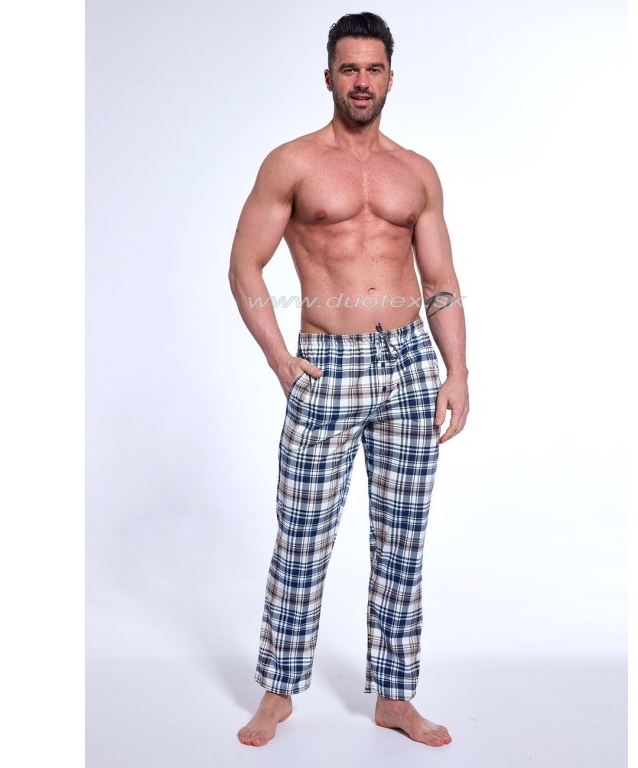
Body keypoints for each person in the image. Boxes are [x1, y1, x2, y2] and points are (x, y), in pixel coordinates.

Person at [228, 11, 468, 748]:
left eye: (373, 68)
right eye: (349, 68)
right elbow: (244, 266)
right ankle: (277, 692)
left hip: (409, 363)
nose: (361, 81)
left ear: (390, 77)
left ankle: (395, 698)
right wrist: (280, 358)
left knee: (402, 540)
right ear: (329, 76)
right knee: (302, 537)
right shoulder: (293, 163)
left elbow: (441, 280)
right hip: (326, 363)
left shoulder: (416, 172)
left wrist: (457, 370)